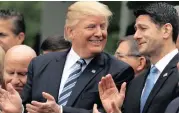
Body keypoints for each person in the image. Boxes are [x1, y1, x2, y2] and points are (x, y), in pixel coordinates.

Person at [0, 1, 134, 113]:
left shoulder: (119, 71)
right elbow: (28, 106)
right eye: (91, 27)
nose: (99, 33)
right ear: (70, 32)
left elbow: (106, 111)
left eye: (103, 27)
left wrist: (60, 110)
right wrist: (19, 110)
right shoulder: (40, 63)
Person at [96, 2, 179, 113]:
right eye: (136, 29)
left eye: (143, 28)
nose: (136, 36)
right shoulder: (136, 82)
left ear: (166, 30)